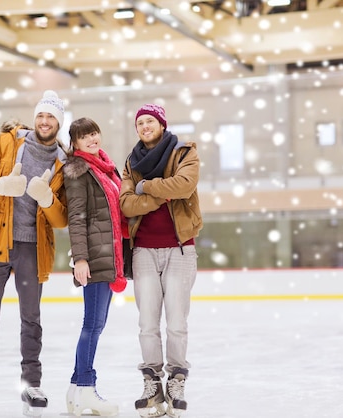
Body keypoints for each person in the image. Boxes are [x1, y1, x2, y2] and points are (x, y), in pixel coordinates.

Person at [0, 90, 69, 418]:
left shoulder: (64, 162)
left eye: (51, 117)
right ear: (35, 118)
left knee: (31, 319)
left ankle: (31, 384)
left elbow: (62, 219)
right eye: (41, 115)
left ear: (58, 123)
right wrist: (0, 185)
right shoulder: (8, 142)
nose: (45, 121)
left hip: (31, 248)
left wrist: (48, 201)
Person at [119, 104, 202, 418]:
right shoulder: (131, 161)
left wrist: (147, 188)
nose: (144, 126)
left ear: (162, 124)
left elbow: (185, 185)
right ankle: (152, 383)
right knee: (147, 324)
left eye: (149, 120)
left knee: (177, 321)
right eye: (139, 122)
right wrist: (163, 194)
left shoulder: (183, 153)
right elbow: (127, 205)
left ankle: (177, 378)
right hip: (143, 251)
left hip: (180, 249)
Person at [63, 117, 128, 417]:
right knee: (92, 325)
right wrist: (80, 258)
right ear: (74, 143)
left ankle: (77, 388)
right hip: (95, 257)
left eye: (94, 133)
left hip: (110, 256)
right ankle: (87, 388)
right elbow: (77, 218)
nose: (91, 139)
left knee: (96, 324)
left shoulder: (106, 167)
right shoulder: (78, 171)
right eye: (83, 137)